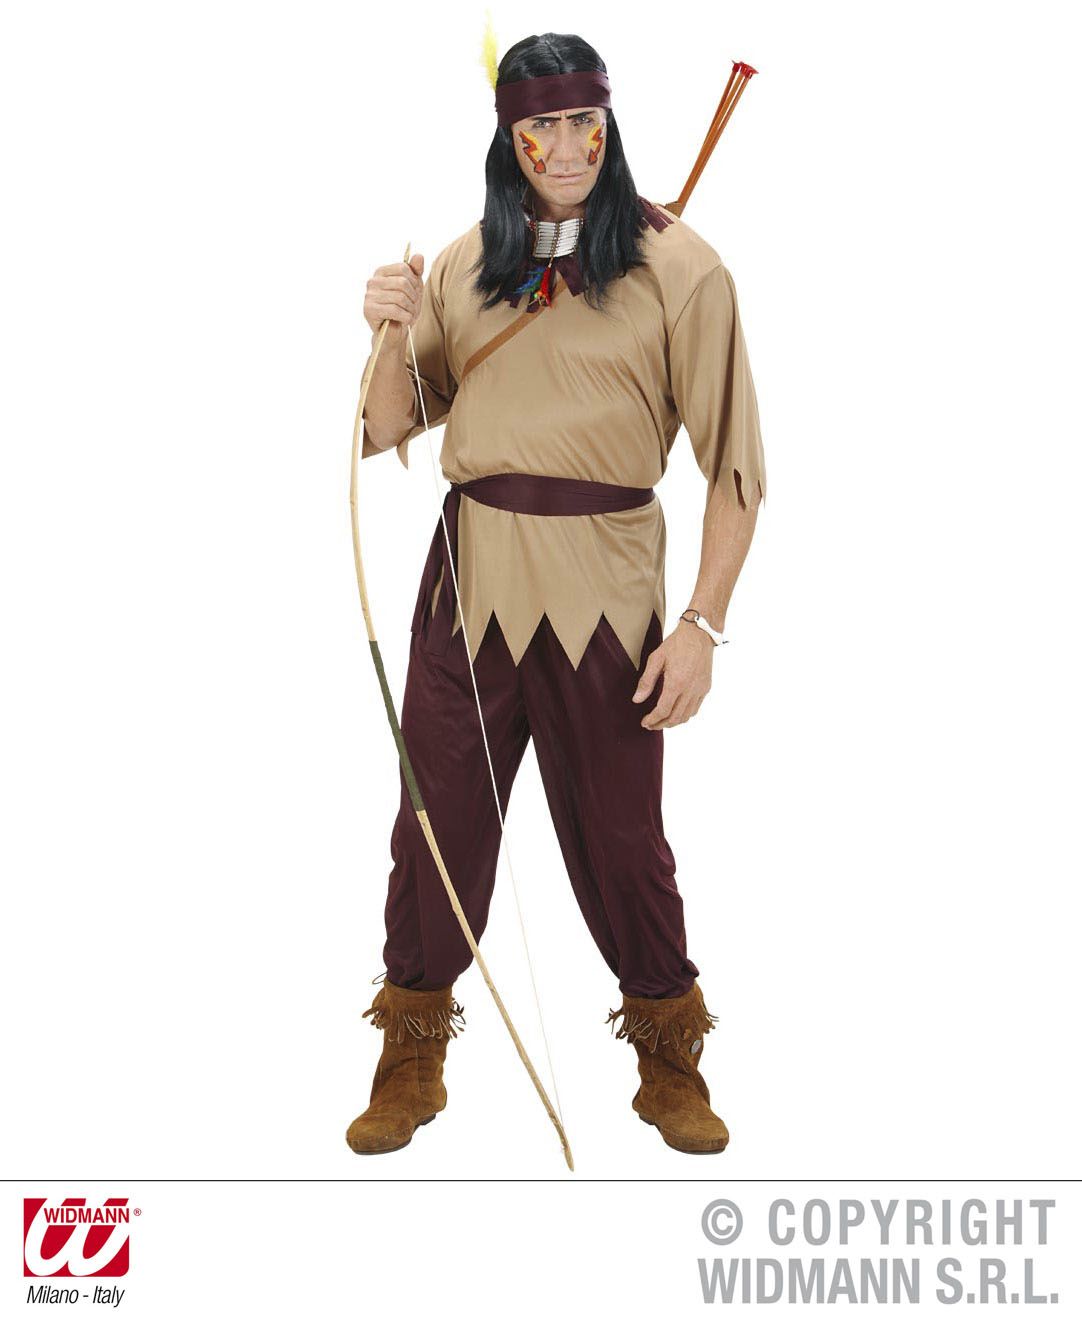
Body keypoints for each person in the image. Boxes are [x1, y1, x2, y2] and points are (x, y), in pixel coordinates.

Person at [346, 31, 766, 1158]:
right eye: (542, 126)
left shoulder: (684, 269)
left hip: (608, 596)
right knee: (433, 827)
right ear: (510, 137)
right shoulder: (462, 262)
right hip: (468, 586)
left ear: (608, 123)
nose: (567, 146)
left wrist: (700, 624)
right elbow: (388, 426)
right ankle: (410, 1054)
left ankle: (669, 1059)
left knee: (623, 836)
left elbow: (735, 465)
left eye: (584, 122)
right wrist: (388, 328)